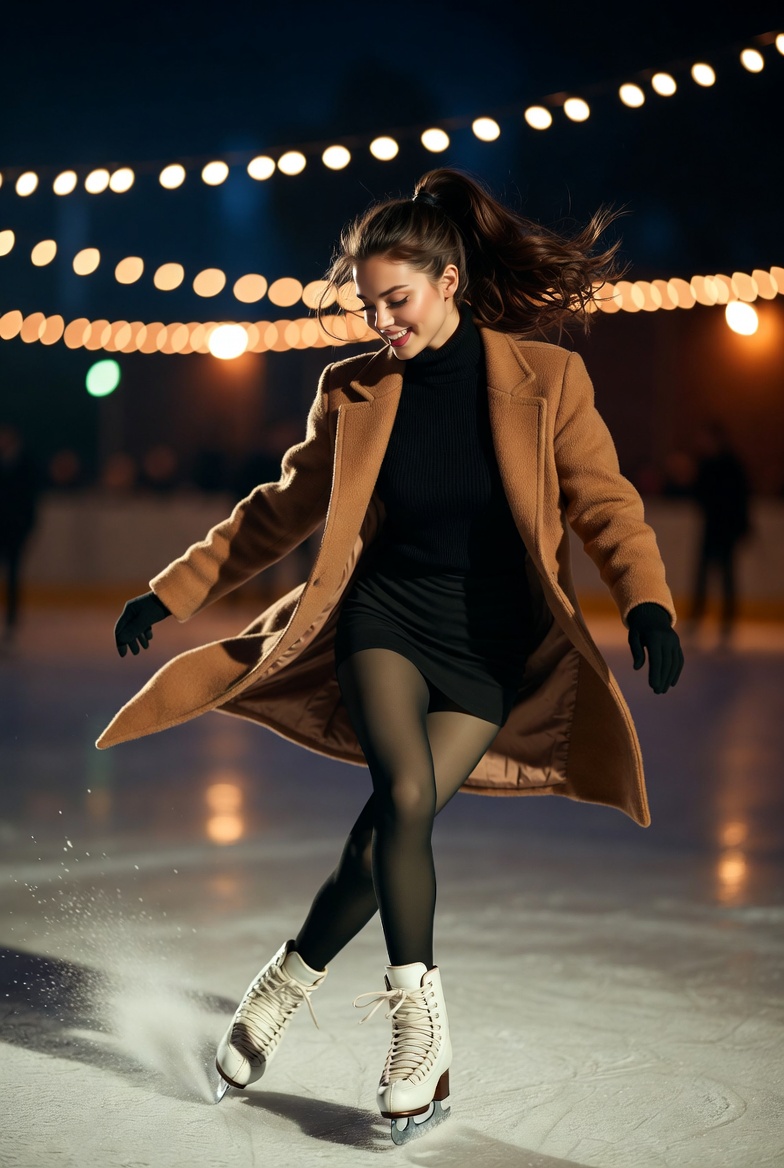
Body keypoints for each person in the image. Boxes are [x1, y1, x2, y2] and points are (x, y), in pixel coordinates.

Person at [102, 168, 684, 1145]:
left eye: (396, 300)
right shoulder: (355, 390)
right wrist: (173, 588)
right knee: (406, 800)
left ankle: (284, 980)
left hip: (493, 648)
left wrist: (649, 604)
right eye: (368, 303)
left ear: (448, 280)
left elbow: (604, 502)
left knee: (385, 836)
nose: (380, 320)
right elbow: (274, 515)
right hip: (385, 622)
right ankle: (421, 1035)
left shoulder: (549, 381)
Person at [687, 420, 751, 643]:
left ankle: (726, 621)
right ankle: (697, 618)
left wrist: (742, 527)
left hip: (726, 530)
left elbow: (742, 498)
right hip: (713, 529)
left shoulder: (732, 465)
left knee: (725, 577)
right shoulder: (706, 464)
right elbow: (698, 494)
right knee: (704, 576)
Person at [0, 425, 40, 641]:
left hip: (15, 531)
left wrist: (26, 528)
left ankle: (11, 622)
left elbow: (29, 501)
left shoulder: (26, 464)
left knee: (13, 578)